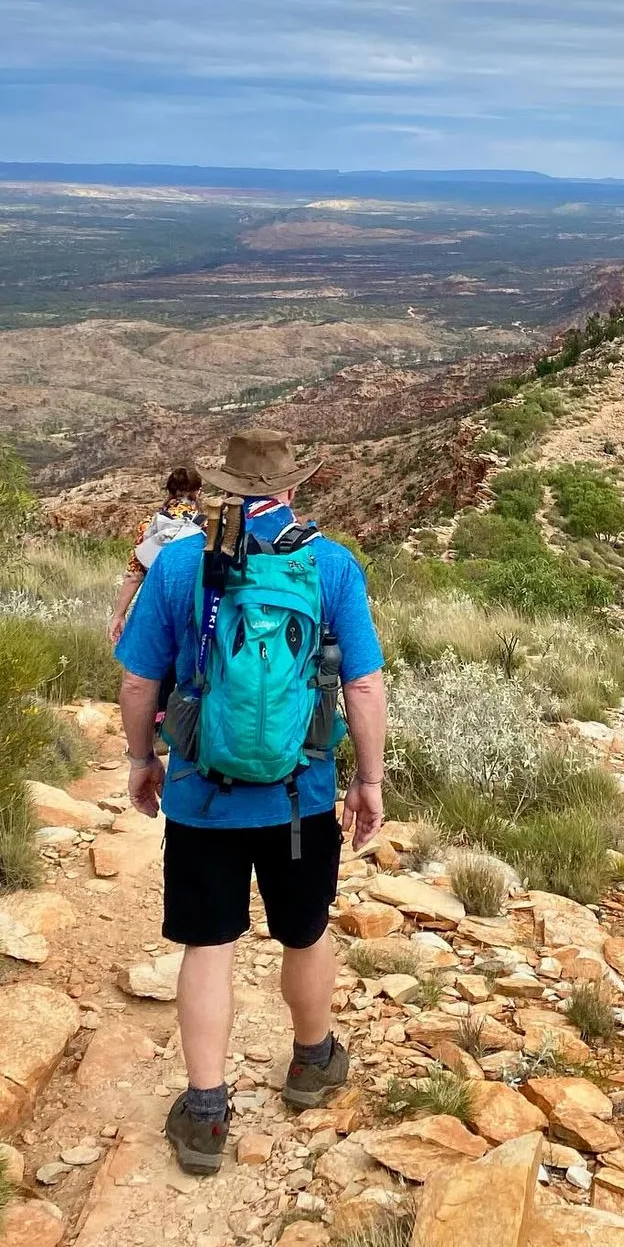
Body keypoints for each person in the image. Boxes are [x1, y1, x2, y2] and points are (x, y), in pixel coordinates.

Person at [115, 429, 387, 1176]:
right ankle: (312, 1060)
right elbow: (362, 685)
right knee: (304, 931)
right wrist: (368, 780)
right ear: (293, 487)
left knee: (210, 944)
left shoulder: (177, 564)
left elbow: (139, 683)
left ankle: (205, 1112)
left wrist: (144, 761)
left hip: (203, 794)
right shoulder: (330, 564)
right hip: (298, 796)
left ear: (228, 490)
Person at [108, 466, 205, 644]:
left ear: (169, 491)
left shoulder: (148, 526)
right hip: (195, 606)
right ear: (198, 492)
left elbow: (134, 576)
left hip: (157, 604)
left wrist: (119, 615)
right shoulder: (208, 527)